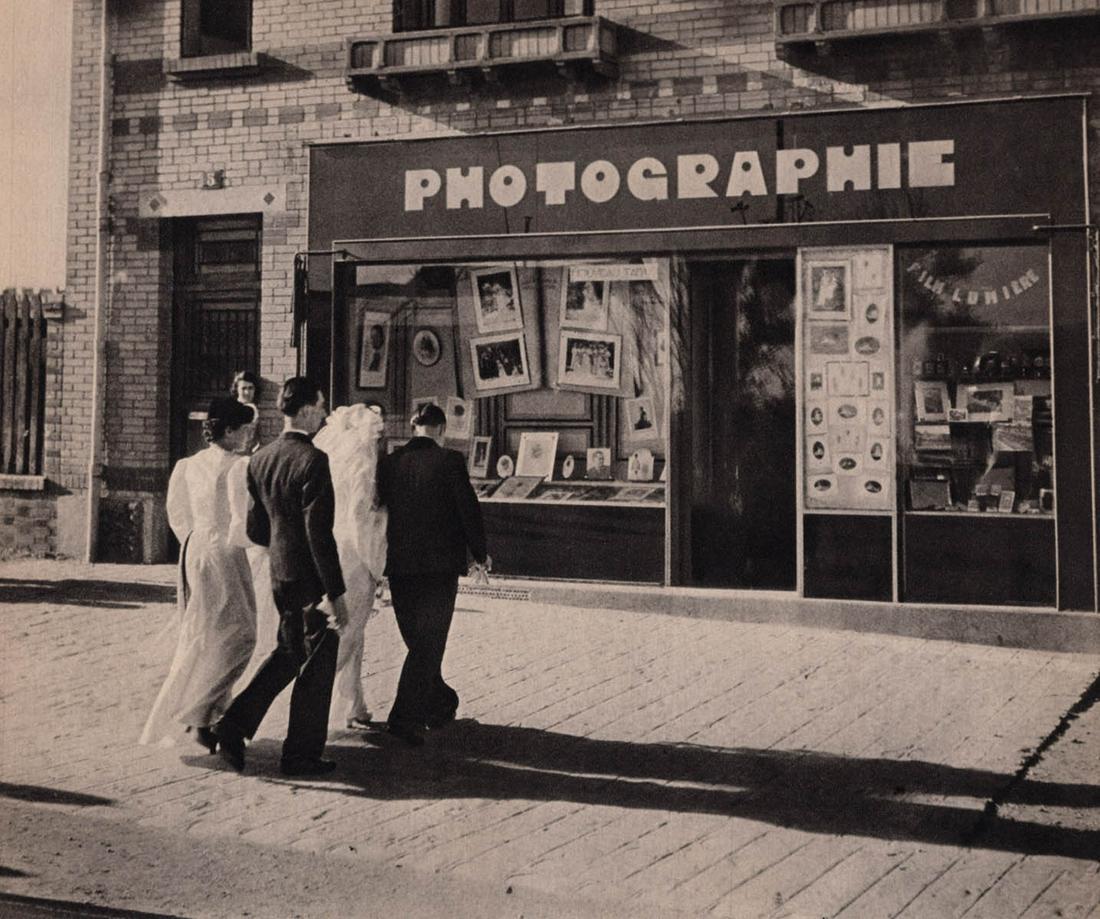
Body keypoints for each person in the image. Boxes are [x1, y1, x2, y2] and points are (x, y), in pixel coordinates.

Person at [214, 377, 350, 777]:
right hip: (311, 579)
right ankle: (300, 755)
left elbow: (257, 529)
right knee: (317, 663)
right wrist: (337, 595)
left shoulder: (261, 458)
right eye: (321, 406)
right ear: (306, 409)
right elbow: (319, 535)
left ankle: (233, 724)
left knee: (290, 652)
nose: (325, 414)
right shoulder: (314, 460)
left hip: (280, 573)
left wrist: (282, 546)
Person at [140, 397, 259, 752]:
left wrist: (196, 542)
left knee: (203, 633)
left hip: (195, 552)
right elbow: (243, 518)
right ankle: (197, 712)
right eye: (243, 430)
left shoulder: (187, 465)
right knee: (243, 635)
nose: (247, 437)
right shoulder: (241, 466)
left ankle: (210, 716)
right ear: (229, 431)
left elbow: (177, 514)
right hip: (226, 551)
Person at [377, 403, 489, 746]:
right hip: (439, 566)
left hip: (399, 565)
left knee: (418, 639)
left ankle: (440, 701)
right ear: (441, 429)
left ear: (415, 427)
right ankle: (404, 717)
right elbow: (467, 508)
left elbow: (378, 510)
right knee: (430, 639)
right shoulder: (450, 461)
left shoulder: (390, 463)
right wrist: (480, 554)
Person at [313, 401, 388, 731]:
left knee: (351, 631)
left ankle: (353, 703)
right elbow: (360, 518)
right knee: (350, 629)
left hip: (329, 546)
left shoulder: (330, 460)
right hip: (353, 553)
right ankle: (318, 695)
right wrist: (376, 564)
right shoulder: (361, 463)